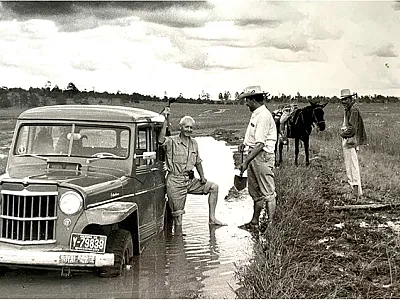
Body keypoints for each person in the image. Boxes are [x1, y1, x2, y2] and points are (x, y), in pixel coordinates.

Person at [158, 108, 226, 231]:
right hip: (175, 182)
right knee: (178, 220)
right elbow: (160, 140)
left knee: (214, 187)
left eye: (191, 128)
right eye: (186, 127)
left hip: (190, 180)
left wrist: (203, 177)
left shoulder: (194, 143)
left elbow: (198, 162)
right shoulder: (172, 141)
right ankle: (178, 244)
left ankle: (212, 219)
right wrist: (165, 120)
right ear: (180, 127)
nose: (189, 130)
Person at [237, 86, 277, 231]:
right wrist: (244, 144)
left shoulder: (264, 116)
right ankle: (254, 223)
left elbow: (260, 144)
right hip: (254, 155)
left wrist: (246, 161)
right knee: (256, 193)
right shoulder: (255, 114)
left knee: (268, 192)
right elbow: (254, 139)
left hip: (262, 157)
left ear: (253, 100)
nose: (246, 103)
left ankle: (271, 226)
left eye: (247, 100)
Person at [339, 89, 367, 201]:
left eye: (346, 99)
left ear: (350, 99)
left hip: (351, 141)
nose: (344, 102)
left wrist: (342, 133)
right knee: (349, 166)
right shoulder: (349, 109)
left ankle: (356, 193)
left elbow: (352, 129)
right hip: (349, 141)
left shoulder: (353, 110)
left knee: (352, 166)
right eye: (342, 99)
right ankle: (355, 192)